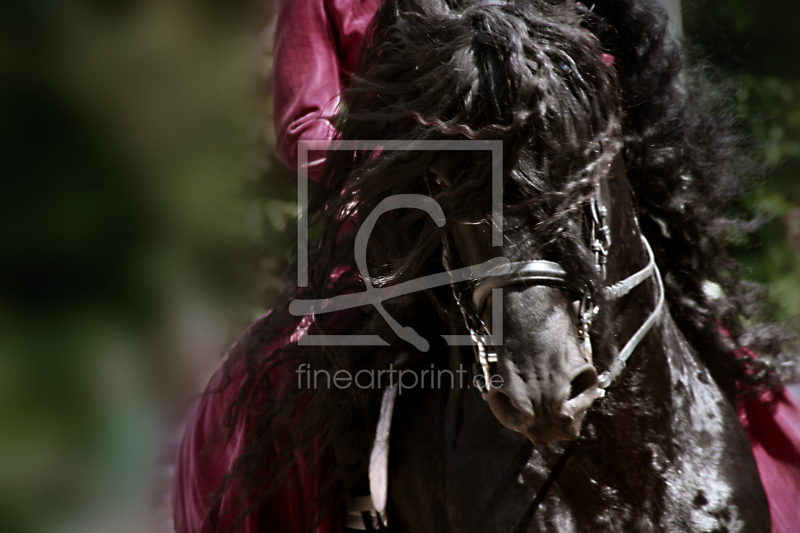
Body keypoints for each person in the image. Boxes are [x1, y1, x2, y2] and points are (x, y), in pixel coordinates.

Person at [172, 1, 800, 531]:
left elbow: (601, 59)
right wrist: (412, 160)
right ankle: (351, 496)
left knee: (701, 322)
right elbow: (305, 124)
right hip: (403, 209)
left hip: (548, 184)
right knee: (316, 352)